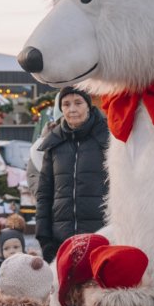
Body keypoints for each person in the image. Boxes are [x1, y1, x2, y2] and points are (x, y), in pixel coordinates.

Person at [35, 86, 109, 263]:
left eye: (78, 103)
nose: (72, 109)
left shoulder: (107, 139)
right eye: (66, 104)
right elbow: (44, 194)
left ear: (88, 106)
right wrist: (44, 239)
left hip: (102, 237)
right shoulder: (54, 144)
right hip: (62, 240)